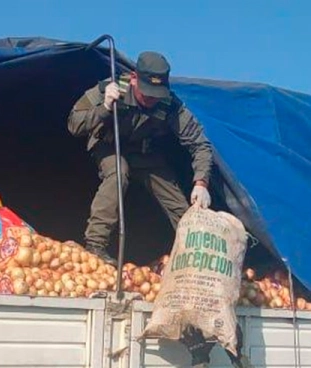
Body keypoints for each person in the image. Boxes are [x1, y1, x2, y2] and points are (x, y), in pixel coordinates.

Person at [68, 51, 214, 265]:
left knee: (177, 201)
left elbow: (199, 143)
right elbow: (74, 124)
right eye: (147, 93)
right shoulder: (114, 87)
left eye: (156, 94)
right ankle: (95, 244)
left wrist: (201, 183)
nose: (151, 99)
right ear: (134, 78)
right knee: (118, 174)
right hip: (109, 146)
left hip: (143, 153)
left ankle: (196, 253)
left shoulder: (169, 104)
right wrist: (104, 107)